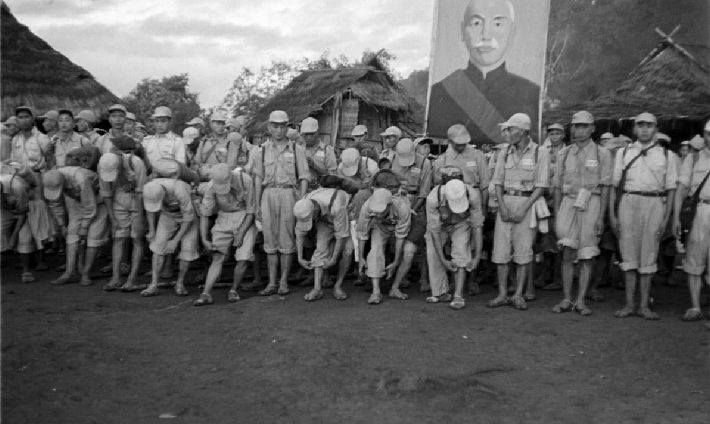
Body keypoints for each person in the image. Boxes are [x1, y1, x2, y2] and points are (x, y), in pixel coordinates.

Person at [427, 0, 539, 143]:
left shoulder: (530, 92)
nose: (486, 35)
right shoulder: (440, 91)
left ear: (512, 31)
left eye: (498, 24)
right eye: (476, 23)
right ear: (463, 31)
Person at [610, 112, 678, 320]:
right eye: (640, 125)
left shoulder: (667, 155)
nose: (645, 129)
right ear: (634, 129)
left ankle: (644, 306)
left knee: (649, 255)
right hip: (628, 201)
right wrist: (613, 214)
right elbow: (614, 186)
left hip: (654, 203)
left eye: (649, 125)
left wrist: (666, 218)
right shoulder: (623, 153)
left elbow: (671, 189)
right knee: (628, 254)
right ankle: (629, 304)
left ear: (656, 129)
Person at [550, 111, 612, 316]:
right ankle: (567, 298)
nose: (580, 130)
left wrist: (601, 217)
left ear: (592, 128)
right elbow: (557, 187)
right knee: (567, 253)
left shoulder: (602, 154)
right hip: (569, 203)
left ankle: (581, 300)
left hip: (592, 203)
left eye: (584, 126)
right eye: (577, 126)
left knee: (587, 255)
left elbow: (605, 187)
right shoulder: (564, 153)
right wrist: (557, 214)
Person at [488, 113, 550, 310]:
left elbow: (541, 186)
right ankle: (502, 294)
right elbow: (497, 181)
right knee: (501, 252)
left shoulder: (541, 152)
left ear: (523, 131)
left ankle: (518, 294)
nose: (507, 132)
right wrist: (502, 206)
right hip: (505, 201)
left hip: (527, 203)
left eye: (511, 129)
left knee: (524, 252)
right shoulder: (504, 152)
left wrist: (524, 208)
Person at [253, 110, 309, 296]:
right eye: (275, 126)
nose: (278, 130)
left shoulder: (296, 149)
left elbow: (304, 177)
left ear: (287, 127)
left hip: (288, 194)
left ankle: (283, 281)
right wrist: (257, 204)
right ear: (269, 127)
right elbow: (258, 178)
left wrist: (301, 202)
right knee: (269, 241)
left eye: (282, 126)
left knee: (286, 240)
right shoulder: (261, 150)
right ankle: (271, 282)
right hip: (268, 194)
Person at [432, 124, 490, 294]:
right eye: (457, 143)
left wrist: (484, 209)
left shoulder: (478, 156)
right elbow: (437, 185)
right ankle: (454, 280)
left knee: (474, 242)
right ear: (449, 141)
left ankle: (471, 280)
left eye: (463, 143)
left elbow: (485, 185)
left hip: (473, 201)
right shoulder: (442, 159)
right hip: (452, 206)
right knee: (455, 243)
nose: (461, 146)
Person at [193, 164, 256, 306]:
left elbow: (251, 211)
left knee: (243, 257)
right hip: (223, 217)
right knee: (217, 256)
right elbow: (205, 214)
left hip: (244, 216)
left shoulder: (245, 180)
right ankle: (206, 293)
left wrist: (241, 232)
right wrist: (204, 239)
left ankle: (234, 290)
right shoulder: (211, 187)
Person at [425, 169, 484, 309]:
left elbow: (477, 227)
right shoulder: (433, 198)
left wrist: (477, 257)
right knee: (433, 253)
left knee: (461, 252)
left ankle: (458, 295)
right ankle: (440, 292)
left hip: (461, 223)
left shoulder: (473, 195)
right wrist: (443, 259)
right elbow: (435, 232)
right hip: (440, 225)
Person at [43, 164, 109, 286]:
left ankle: (85, 273)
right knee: (71, 234)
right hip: (76, 200)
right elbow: (54, 203)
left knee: (93, 237)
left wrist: (84, 227)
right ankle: (70, 272)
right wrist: (62, 224)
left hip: (98, 201)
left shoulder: (81, 178)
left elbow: (89, 206)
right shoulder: (50, 178)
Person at [97, 138, 148, 292]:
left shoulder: (136, 162)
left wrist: (140, 216)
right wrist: (112, 218)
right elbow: (106, 193)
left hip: (136, 200)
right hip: (118, 200)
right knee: (118, 238)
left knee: (137, 239)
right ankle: (115, 277)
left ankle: (132, 279)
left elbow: (140, 192)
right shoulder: (103, 164)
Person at [673, 119, 710, 321]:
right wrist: (677, 218)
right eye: (709, 134)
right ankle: (695, 306)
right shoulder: (693, 159)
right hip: (700, 211)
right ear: (704, 135)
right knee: (694, 259)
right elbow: (681, 189)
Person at [10, 106, 55, 272]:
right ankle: (26, 255)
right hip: (20, 179)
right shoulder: (15, 139)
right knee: (23, 213)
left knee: (39, 215)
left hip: (38, 178)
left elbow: (50, 161)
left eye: (26, 117)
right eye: (20, 117)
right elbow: (13, 161)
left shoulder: (42, 138)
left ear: (32, 118)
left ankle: (41, 258)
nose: (23, 120)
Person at [141, 175, 199, 297]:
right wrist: (151, 229)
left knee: (188, 248)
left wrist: (175, 240)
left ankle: (180, 283)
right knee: (158, 247)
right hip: (168, 215)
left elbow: (188, 218)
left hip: (188, 216)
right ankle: (153, 284)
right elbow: (150, 210)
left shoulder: (179, 189)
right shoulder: (149, 188)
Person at [389, 138, 434, 297]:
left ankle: (424, 280)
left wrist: (412, 210)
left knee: (419, 245)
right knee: (397, 242)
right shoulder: (393, 159)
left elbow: (424, 192)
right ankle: (402, 278)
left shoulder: (425, 163)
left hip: (417, 206)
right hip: (397, 205)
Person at [294, 182, 350, 301]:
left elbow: (341, 236)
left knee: (347, 251)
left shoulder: (337, 204)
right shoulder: (304, 205)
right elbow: (299, 233)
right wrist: (300, 258)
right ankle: (317, 289)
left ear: (314, 211)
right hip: (324, 219)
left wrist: (333, 259)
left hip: (347, 215)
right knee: (320, 248)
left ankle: (338, 286)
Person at [356, 188, 412, 304]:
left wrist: (396, 261)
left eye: (380, 211)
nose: (377, 214)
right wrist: (360, 258)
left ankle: (395, 288)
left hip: (399, 229)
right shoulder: (367, 207)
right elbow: (362, 233)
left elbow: (400, 236)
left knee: (408, 252)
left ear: (389, 205)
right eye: (375, 211)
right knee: (375, 251)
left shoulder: (402, 207)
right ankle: (376, 292)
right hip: (379, 227)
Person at [537, 123, 566, 291]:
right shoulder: (543, 151)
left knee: (560, 239)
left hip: (561, 200)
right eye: (552, 133)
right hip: (544, 200)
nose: (554, 136)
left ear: (563, 135)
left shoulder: (567, 151)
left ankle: (557, 278)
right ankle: (545, 274)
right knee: (546, 238)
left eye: (557, 133)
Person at [0, 165, 38, 282]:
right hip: (5, 209)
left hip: (23, 210)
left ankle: (26, 272)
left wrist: (13, 236)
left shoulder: (19, 187)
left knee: (24, 237)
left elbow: (22, 214)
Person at [194, 111, 241, 180]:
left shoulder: (230, 144)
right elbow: (197, 163)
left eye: (223, 124)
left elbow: (231, 167)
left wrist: (210, 169)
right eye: (218, 123)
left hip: (222, 180)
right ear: (211, 124)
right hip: (204, 180)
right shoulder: (203, 143)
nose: (221, 126)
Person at [301, 117, 337, 191]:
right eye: (306, 135)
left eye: (312, 134)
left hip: (321, 191)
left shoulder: (327, 150)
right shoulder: (298, 149)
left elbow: (333, 176)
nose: (309, 137)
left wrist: (315, 166)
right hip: (301, 190)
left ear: (317, 132)